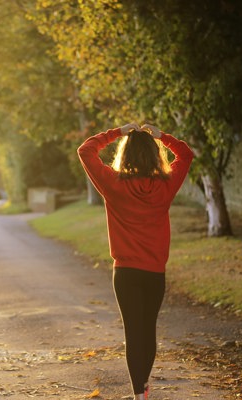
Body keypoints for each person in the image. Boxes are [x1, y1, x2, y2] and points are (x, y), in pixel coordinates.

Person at [77, 122, 194, 400]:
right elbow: (186, 154)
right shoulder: (165, 185)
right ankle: (143, 387)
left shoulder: (114, 184)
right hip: (154, 272)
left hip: (125, 273)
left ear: (125, 154)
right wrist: (162, 136)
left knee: (133, 333)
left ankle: (139, 393)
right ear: (154, 155)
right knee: (148, 329)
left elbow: (86, 150)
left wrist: (117, 132)